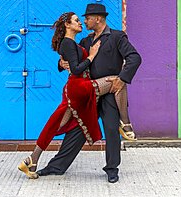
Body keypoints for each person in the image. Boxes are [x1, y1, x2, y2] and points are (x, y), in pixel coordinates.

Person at [18, 11, 136, 179]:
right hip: (86, 90)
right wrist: (60, 62)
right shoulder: (85, 41)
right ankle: (56, 167)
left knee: (110, 128)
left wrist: (123, 78)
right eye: (80, 20)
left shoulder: (117, 36)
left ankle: (112, 169)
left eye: (87, 18)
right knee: (77, 129)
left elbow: (134, 58)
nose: (84, 21)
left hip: (108, 93)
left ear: (98, 19)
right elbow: (72, 58)